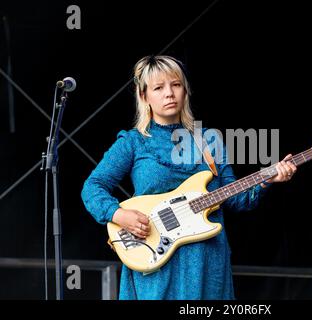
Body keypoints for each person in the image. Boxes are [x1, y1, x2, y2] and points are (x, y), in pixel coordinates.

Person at [81, 55, 297, 300]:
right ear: (144, 97)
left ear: (186, 90)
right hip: (156, 261)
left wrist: (268, 178)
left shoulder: (209, 140)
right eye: (159, 88)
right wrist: (120, 215)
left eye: (176, 85)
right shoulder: (133, 142)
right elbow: (92, 187)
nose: (169, 93)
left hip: (206, 263)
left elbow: (236, 199)